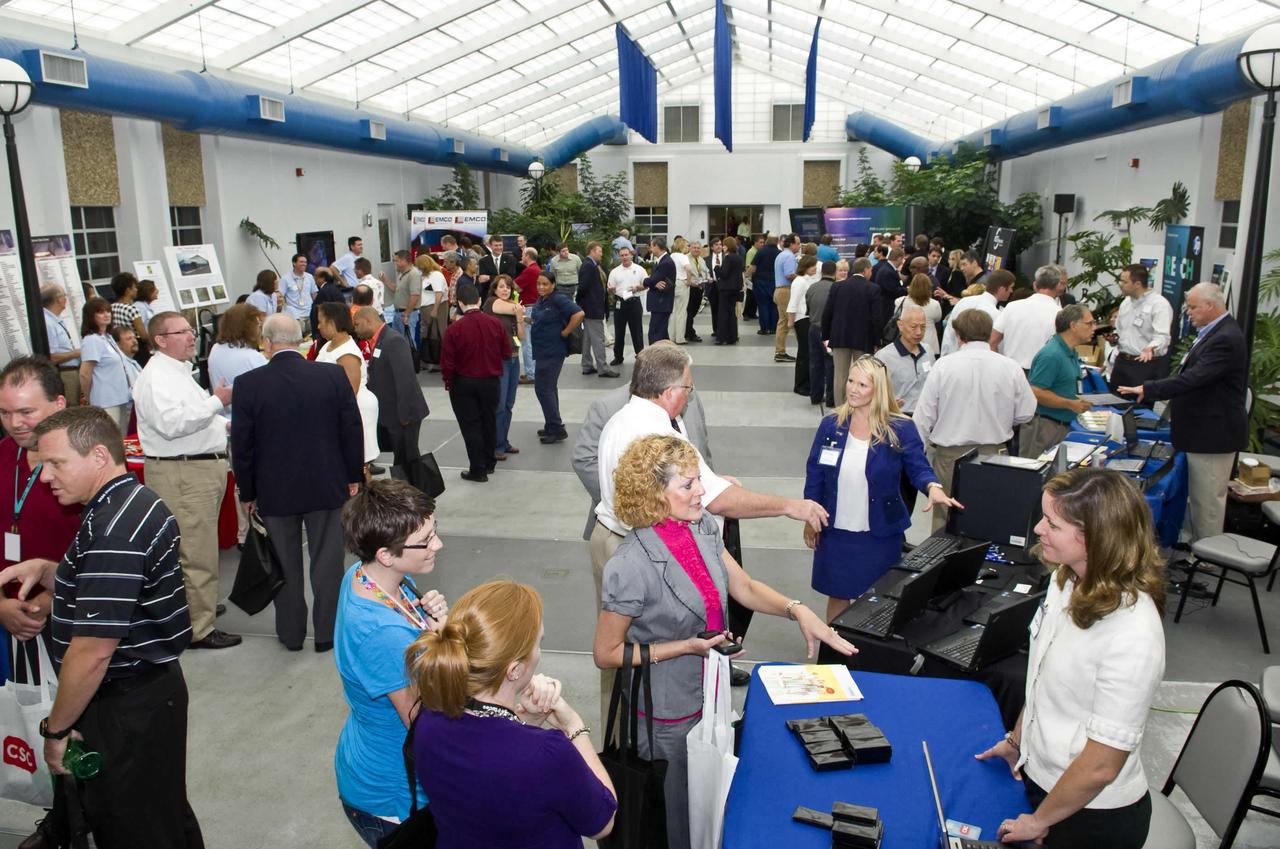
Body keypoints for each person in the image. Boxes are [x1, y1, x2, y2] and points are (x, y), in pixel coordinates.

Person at [596, 434, 856, 849]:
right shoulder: (629, 566)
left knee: (708, 803)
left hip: (709, 694)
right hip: (667, 715)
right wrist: (685, 646)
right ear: (654, 495)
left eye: (698, 479)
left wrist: (797, 610)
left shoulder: (700, 528)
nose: (702, 491)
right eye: (688, 484)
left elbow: (745, 586)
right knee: (677, 819)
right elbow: (606, 654)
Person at [0, 406, 204, 847]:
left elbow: (92, 653)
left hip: (126, 706)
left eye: (55, 464)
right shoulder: (125, 501)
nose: (46, 476)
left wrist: (55, 731)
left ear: (96, 456)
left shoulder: (115, 530)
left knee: (135, 827)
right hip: (143, 698)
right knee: (161, 813)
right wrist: (51, 570)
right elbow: (111, 583)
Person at [979, 468, 1165, 848]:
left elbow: (1101, 765)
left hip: (1088, 816)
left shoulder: (1133, 632)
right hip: (1041, 779)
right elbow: (1042, 677)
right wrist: (1018, 741)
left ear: (1096, 537)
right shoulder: (1067, 579)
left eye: (1052, 523)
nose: (1038, 530)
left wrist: (1039, 820)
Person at [409, 580, 616, 847]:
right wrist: (573, 725)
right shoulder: (548, 752)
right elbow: (603, 821)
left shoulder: (428, 721)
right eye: (538, 643)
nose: (538, 652)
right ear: (515, 670)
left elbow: (488, 772)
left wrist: (526, 723)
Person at [232, 314, 363, 653]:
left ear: (267, 342)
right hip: (326, 484)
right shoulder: (331, 375)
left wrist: (248, 492)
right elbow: (351, 429)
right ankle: (326, 634)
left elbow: (243, 446)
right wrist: (352, 476)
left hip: (274, 492)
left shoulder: (248, 384)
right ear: (300, 340)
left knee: (284, 564)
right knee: (327, 563)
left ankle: (291, 634)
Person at [334, 479, 448, 847]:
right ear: (386, 553)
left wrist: (430, 626)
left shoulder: (368, 577)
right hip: (394, 795)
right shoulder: (380, 634)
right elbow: (424, 724)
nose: (438, 545)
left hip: (371, 758)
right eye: (427, 540)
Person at [804, 358, 960, 620]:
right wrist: (810, 517)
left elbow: (917, 466)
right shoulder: (831, 426)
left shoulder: (900, 428)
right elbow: (816, 473)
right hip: (836, 531)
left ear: (878, 390)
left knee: (878, 600)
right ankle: (832, 652)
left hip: (879, 534)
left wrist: (932, 486)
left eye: (862, 384)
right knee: (838, 595)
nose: (852, 389)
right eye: (851, 381)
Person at [132, 311, 239, 650]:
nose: (192, 337)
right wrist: (216, 403)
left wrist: (220, 425)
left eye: (191, 330)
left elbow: (190, 419)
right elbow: (172, 424)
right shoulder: (157, 377)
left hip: (195, 467)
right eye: (182, 332)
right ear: (161, 341)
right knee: (196, 552)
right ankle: (198, 627)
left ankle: (198, 607)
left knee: (199, 547)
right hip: (183, 473)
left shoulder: (176, 372)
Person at [1118, 282, 1247, 542]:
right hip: (1200, 430)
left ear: (1211, 306)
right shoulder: (1213, 332)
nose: (1188, 312)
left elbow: (1194, 379)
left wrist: (1149, 388)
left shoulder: (1224, 338)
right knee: (1197, 497)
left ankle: (1209, 560)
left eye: (1193, 307)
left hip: (1213, 435)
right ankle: (1195, 547)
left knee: (1208, 502)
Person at [913, 309, 1036, 532]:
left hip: (951, 456)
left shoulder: (944, 366)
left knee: (946, 521)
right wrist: (1002, 419)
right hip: (995, 455)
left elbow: (923, 417)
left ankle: (945, 565)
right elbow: (1027, 412)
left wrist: (914, 457)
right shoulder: (1010, 367)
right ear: (989, 334)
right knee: (991, 517)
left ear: (959, 335)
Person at [0, 358, 81, 647]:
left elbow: (105, 551)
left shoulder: (87, 464)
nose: (14, 424)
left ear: (59, 404)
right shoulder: (4, 455)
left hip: (75, 616)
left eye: (26, 412)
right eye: (5, 413)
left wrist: (48, 599)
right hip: (9, 617)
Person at [442, 284, 512, 482]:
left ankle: (478, 469)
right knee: (488, 421)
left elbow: (447, 362)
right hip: (490, 381)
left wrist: (449, 382)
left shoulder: (454, 329)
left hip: (463, 382)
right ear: (480, 301)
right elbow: (506, 353)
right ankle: (489, 462)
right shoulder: (495, 324)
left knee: (470, 425)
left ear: (459, 303)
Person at [353, 307, 429, 477]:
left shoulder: (393, 340)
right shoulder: (379, 340)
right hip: (393, 415)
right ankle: (409, 495)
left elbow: (406, 380)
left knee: (407, 461)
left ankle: (414, 496)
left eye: (357, 324)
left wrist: (404, 417)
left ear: (369, 321)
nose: (355, 329)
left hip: (403, 415)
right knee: (404, 460)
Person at [1021, 305, 1097, 459]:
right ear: (1073, 326)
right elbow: (1035, 391)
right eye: (1089, 323)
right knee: (1036, 474)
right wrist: (1070, 403)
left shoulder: (1070, 351)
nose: (1094, 327)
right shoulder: (1052, 355)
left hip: (1060, 424)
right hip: (1044, 427)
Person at [316, 302, 381, 471]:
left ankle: (365, 497)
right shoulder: (328, 345)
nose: (318, 326)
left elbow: (349, 392)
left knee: (358, 465)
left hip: (355, 410)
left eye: (320, 321)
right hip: (336, 408)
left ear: (331, 323)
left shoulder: (347, 353)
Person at [530, 273, 585, 445]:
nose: (541, 287)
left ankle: (556, 428)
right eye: (539, 284)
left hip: (553, 351)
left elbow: (579, 314)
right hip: (542, 351)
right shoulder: (542, 300)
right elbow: (539, 318)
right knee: (549, 388)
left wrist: (565, 332)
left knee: (543, 389)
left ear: (553, 285)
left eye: (545, 284)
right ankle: (551, 424)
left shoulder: (558, 299)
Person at [822, 257, 883, 406]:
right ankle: (858, 407)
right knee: (862, 375)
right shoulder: (873, 288)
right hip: (863, 339)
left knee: (840, 375)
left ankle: (839, 410)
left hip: (840, 337)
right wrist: (877, 341)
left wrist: (825, 336)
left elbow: (827, 313)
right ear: (866, 269)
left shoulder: (837, 287)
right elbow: (877, 318)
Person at [1106, 263, 1173, 394]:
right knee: (1113, 404)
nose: (1120, 284)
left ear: (1137, 284)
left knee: (1138, 410)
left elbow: (1163, 336)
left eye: (1124, 281)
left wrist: (1150, 347)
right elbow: (1119, 331)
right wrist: (1113, 339)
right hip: (1121, 362)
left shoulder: (1159, 305)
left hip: (1144, 366)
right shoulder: (1125, 303)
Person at [481, 277, 524, 460]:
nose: (505, 290)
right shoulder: (492, 303)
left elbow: (521, 337)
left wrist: (520, 319)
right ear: (495, 289)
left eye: (508, 287)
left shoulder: (511, 307)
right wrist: (518, 310)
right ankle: (495, 445)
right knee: (498, 405)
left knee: (508, 404)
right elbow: (516, 308)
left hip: (514, 359)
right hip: (500, 360)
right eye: (501, 287)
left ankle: (503, 441)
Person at [77, 298, 134, 433]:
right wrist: (89, 397)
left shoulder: (107, 337)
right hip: (106, 400)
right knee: (111, 438)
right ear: (91, 316)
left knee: (123, 439)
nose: (106, 315)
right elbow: (85, 373)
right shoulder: (92, 340)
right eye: (101, 312)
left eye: (108, 311)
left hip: (121, 397)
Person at [990, 265, 1062, 370]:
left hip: (1011, 371)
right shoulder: (1059, 314)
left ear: (1034, 285)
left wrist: (1001, 367)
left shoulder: (1012, 307)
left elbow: (992, 341)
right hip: (1042, 375)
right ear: (1057, 286)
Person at [207, 303, 268, 416]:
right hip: (252, 419)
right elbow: (271, 391)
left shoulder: (215, 349)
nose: (260, 329)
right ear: (249, 327)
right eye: (258, 324)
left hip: (227, 416)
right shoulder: (252, 357)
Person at [874, 303, 934, 414]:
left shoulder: (928, 352)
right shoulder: (884, 357)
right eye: (913, 327)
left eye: (923, 327)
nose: (919, 332)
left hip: (925, 416)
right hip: (898, 417)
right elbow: (875, 393)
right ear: (900, 325)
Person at [940, 268, 1014, 356]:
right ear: (1001, 289)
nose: (1011, 291)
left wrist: (944, 357)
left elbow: (949, 333)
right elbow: (996, 346)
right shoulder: (996, 315)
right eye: (1010, 287)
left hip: (952, 358)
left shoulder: (964, 301)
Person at [575, 242, 617, 377]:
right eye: (599, 251)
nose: (601, 253)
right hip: (592, 308)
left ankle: (587, 365)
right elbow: (583, 287)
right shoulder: (589, 266)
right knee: (598, 339)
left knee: (587, 338)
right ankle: (603, 368)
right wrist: (583, 303)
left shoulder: (591, 265)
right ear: (592, 251)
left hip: (590, 307)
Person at [41, 284, 81, 405]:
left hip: (70, 371)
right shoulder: (47, 323)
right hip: (64, 373)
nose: (66, 299)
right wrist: (77, 353)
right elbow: (51, 356)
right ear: (58, 299)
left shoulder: (53, 319)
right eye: (64, 295)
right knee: (70, 408)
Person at [805, 261, 837, 405]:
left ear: (821, 271)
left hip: (813, 328)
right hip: (830, 331)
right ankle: (831, 398)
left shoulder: (812, 287)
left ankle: (815, 395)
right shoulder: (836, 288)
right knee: (830, 364)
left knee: (815, 363)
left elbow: (808, 307)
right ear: (834, 272)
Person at [608, 246, 646, 364]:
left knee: (637, 331)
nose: (624, 257)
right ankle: (618, 356)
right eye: (622, 255)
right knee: (619, 331)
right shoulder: (614, 271)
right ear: (620, 257)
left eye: (626, 255)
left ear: (631, 255)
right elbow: (609, 288)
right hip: (620, 302)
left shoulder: (640, 269)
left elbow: (646, 285)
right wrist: (611, 289)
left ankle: (640, 355)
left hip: (634, 302)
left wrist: (637, 288)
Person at [385, 250, 422, 368]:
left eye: (396, 261)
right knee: (399, 341)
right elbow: (397, 289)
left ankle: (409, 366)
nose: (394, 263)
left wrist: (406, 314)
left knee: (407, 341)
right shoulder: (401, 274)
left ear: (404, 261)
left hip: (407, 314)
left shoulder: (414, 274)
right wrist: (385, 281)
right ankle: (402, 365)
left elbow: (415, 296)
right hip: (398, 313)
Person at [894, 273, 942, 357]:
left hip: (907, 343)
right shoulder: (935, 304)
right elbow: (937, 319)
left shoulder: (900, 302)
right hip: (930, 343)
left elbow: (897, 317)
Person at [417, 253, 449, 370]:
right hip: (426, 307)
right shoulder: (425, 276)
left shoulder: (435, 275)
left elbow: (439, 293)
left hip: (436, 307)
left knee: (438, 333)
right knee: (428, 333)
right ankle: (429, 359)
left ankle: (440, 361)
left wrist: (435, 309)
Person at [643, 236, 676, 344]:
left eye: (652, 247)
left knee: (655, 333)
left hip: (661, 303)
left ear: (657, 246)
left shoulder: (665, 262)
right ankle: (667, 358)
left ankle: (655, 358)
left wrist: (645, 281)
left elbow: (651, 280)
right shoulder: (662, 260)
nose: (650, 250)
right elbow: (654, 280)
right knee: (662, 334)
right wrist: (653, 282)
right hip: (661, 304)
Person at [773, 233, 799, 362]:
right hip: (786, 291)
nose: (799, 246)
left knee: (783, 322)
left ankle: (780, 351)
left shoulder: (781, 255)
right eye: (798, 243)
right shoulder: (789, 256)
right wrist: (802, 278)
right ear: (792, 244)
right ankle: (802, 349)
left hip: (779, 290)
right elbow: (789, 275)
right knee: (792, 320)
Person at [714, 236, 744, 346]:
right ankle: (732, 337)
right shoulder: (739, 257)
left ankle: (721, 338)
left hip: (726, 289)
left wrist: (717, 268)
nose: (722, 247)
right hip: (735, 289)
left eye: (724, 245)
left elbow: (724, 274)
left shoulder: (728, 258)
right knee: (732, 313)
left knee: (723, 313)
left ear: (727, 247)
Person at [108, 272, 149, 351]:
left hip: (120, 346)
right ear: (128, 290)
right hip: (137, 346)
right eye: (134, 287)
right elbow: (143, 336)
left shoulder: (111, 307)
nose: (136, 290)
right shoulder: (132, 309)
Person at [749, 235, 780, 336]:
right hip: (775, 282)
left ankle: (764, 329)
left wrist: (747, 275)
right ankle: (773, 328)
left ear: (767, 241)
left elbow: (753, 267)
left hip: (760, 282)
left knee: (763, 305)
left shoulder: (761, 252)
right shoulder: (779, 253)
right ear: (777, 242)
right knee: (774, 305)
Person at [282, 253, 319, 332]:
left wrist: (315, 309)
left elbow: (314, 294)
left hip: (309, 313)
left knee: (310, 337)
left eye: (305, 262)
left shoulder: (309, 277)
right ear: (294, 263)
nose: (304, 264)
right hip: (295, 315)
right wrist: (286, 310)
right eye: (301, 262)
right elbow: (281, 296)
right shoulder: (285, 278)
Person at [477, 235, 518, 300]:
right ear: (490, 246)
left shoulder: (511, 260)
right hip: (489, 297)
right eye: (496, 245)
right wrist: (501, 276)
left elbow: (509, 278)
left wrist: (489, 277)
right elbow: (483, 281)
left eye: (500, 245)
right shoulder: (483, 261)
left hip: (506, 296)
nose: (499, 247)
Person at [669, 237, 693, 345]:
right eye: (687, 245)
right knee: (682, 312)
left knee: (673, 311)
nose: (688, 247)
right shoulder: (683, 257)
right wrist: (689, 281)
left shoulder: (671, 256)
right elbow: (688, 269)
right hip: (681, 283)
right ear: (682, 246)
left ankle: (671, 337)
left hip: (672, 284)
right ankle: (680, 338)